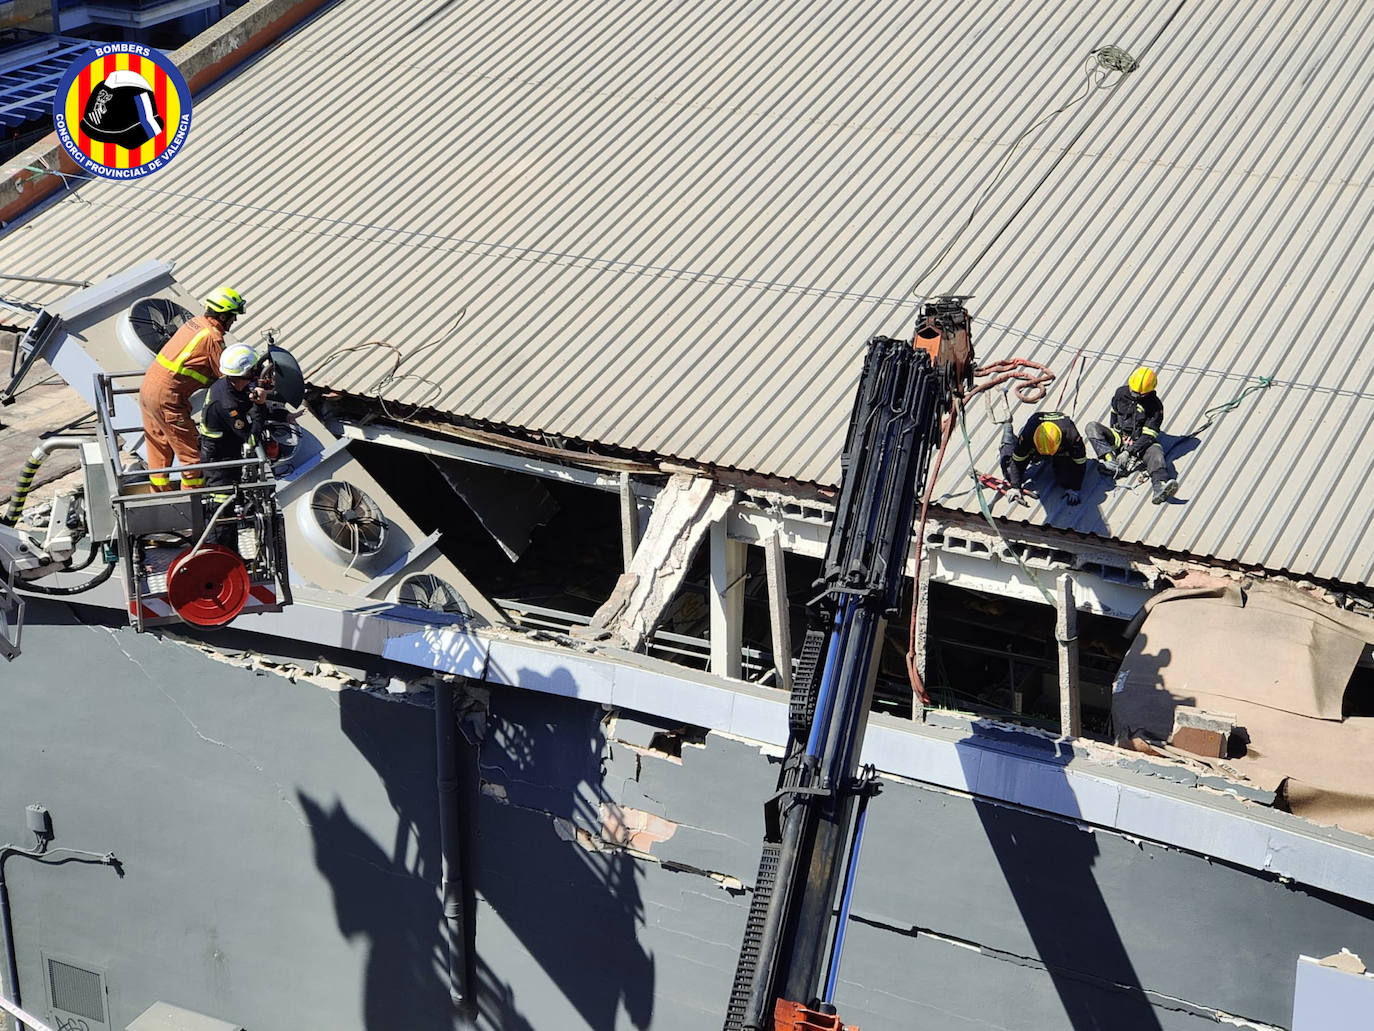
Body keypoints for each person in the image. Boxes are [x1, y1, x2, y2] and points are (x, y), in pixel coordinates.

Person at [138, 286, 246, 491]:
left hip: (148, 390)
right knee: (192, 460)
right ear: (223, 316)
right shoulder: (212, 338)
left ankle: (158, 500)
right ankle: (192, 509)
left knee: (158, 449)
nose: (235, 321)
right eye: (233, 316)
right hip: (168, 398)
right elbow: (228, 377)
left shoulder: (194, 323)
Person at [197, 342, 268, 550]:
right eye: (253, 370)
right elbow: (251, 439)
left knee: (228, 504)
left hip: (225, 452)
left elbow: (245, 400)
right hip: (219, 461)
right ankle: (224, 555)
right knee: (223, 509)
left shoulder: (226, 385)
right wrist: (260, 407)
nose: (256, 373)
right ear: (243, 374)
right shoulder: (227, 405)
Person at [1085, 366, 1179, 504]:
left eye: (1140, 394)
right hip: (1120, 437)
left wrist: (1129, 452)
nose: (1135, 395)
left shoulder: (1155, 407)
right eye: (1133, 391)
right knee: (1092, 427)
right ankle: (1112, 462)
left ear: (1149, 391)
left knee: (1156, 452)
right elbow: (1114, 414)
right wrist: (1117, 433)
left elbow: (1149, 435)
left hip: (1141, 444)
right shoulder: (1121, 393)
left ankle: (1160, 485)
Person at [999, 411, 1087, 506]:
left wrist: (1075, 488)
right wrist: (1015, 486)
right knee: (1009, 473)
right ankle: (1008, 439)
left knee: (1066, 481)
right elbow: (1018, 461)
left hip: (1060, 450)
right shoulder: (1028, 435)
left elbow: (1080, 464)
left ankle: (1053, 458)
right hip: (1034, 445)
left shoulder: (1071, 435)